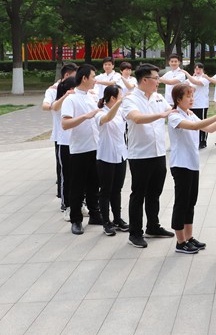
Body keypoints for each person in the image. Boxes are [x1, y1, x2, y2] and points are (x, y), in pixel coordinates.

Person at [167, 83, 216, 254]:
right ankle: (180, 242)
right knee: (181, 202)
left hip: (192, 164)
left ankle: (189, 237)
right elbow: (194, 127)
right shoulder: (174, 116)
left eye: (192, 95)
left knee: (190, 202)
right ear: (178, 99)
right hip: (181, 165)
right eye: (188, 96)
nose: (192, 99)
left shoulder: (190, 113)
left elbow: (208, 128)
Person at [121, 63, 175, 248]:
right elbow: (137, 118)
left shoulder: (158, 97)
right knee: (138, 194)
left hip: (158, 152)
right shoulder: (130, 99)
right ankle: (135, 233)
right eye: (156, 78)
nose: (158, 81)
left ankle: (153, 226)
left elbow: (171, 112)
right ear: (145, 80)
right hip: (140, 155)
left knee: (155, 193)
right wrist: (161, 115)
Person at [60, 64, 104, 235]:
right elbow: (65, 124)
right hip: (79, 149)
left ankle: (95, 214)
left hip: (95, 146)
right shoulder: (71, 99)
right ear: (84, 78)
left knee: (94, 183)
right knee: (77, 186)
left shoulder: (91, 97)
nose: (95, 80)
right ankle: (76, 220)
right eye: (93, 77)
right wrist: (85, 116)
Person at [43, 62, 78, 211]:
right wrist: (59, 101)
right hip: (61, 136)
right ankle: (64, 199)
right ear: (67, 75)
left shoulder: (77, 90)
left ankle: (76, 200)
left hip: (76, 138)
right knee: (63, 169)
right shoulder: (54, 89)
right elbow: (47, 106)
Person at [95, 85, 128, 236]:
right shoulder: (100, 112)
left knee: (117, 189)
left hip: (120, 155)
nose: (122, 97)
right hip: (106, 156)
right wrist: (120, 103)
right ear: (113, 98)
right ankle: (106, 222)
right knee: (106, 190)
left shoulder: (121, 111)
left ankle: (117, 219)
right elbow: (107, 119)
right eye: (120, 95)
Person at [189, 62, 212, 149]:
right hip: (192, 105)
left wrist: (186, 74)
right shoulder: (191, 78)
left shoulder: (205, 78)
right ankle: (195, 141)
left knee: (202, 123)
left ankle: (203, 141)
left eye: (199, 69)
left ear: (203, 70)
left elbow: (196, 82)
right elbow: (186, 85)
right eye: (196, 69)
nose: (198, 71)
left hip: (201, 105)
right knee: (194, 124)